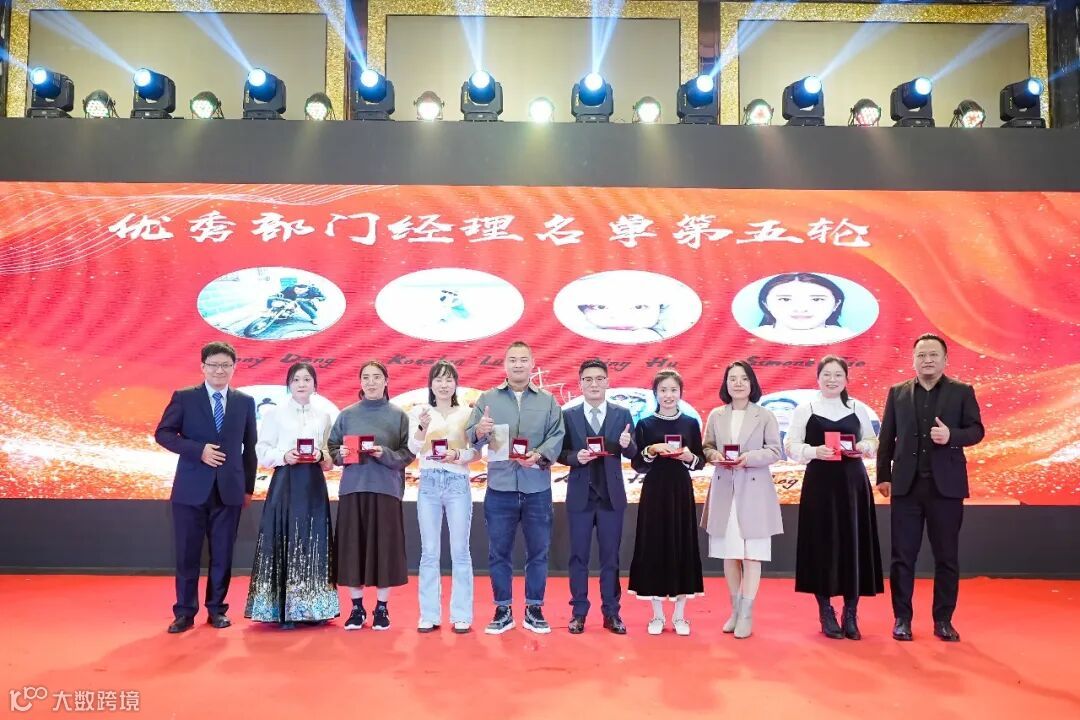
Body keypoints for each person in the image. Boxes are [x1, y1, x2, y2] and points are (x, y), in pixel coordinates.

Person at [877, 333, 984, 643]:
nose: (927, 360)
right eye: (921, 355)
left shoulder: (962, 392)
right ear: (913, 360)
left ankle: (943, 620)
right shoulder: (897, 393)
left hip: (945, 489)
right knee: (902, 557)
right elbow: (887, 437)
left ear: (945, 359)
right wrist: (883, 475)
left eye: (933, 354)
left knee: (946, 557)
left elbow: (977, 430)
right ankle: (902, 619)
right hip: (906, 487)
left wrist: (952, 436)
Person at [154, 341, 257, 634]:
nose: (219, 370)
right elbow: (163, 433)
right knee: (187, 553)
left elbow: (250, 448)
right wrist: (197, 450)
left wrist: (247, 488)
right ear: (203, 367)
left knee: (223, 554)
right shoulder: (185, 397)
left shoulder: (245, 402)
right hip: (190, 488)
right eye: (214, 365)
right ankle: (184, 612)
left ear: (234, 368)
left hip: (229, 489)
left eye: (226, 365)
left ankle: (217, 610)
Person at [466, 341, 565, 635]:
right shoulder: (487, 399)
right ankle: (503, 609)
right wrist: (479, 431)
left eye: (523, 360)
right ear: (505, 365)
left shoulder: (548, 401)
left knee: (539, 552)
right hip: (500, 488)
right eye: (513, 360)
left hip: (537, 488)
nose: (518, 365)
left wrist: (539, 455)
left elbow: (557, 435)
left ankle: (534, 608)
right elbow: (471, 436)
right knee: (499, 553)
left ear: (532, 364)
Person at [786, 355, 882, 640]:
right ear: (818, 378)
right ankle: (826, 610)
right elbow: (790, 445)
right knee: (821, 544)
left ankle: (851, 612)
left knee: (854, 543)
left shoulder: (856, 407)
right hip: (820, 483)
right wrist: (814, 451)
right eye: (826, 374)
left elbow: (873, 440)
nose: (832, 379)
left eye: (838, 374)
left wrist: (864, 447)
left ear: (846, 379)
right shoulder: (805, 409)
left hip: (853, 483)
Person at [245, 362, 338, 627]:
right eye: (296, 379)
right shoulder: (275, 414)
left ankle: (314, 609)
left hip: (313, 484)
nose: (301, 384)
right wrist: (283, 455)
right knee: (285, 539)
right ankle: (281, 610)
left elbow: (329, 457)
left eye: (306, 379)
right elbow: (262, 451)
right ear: (288, 384)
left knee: (314, 541)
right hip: (285, 481)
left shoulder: (324, 416)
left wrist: (321, 455)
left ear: (315, 384)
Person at [328, 360, 414, 631]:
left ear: (386, 381)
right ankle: (356, 608)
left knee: (384, 550)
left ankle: (382, 608)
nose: (371, 382)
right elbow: (333, 448)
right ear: (360, 382)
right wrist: (340, 454)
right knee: (352, 549)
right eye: (366, 377)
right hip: (353, 488)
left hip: (386, 490)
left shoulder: (399, 415)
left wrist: (384, 453)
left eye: (377, 377)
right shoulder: (347, 415)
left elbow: (407, 453)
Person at [701, 361, 783, 639]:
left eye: (743, 378)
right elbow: (707, 447)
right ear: (725, 384)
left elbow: (775, 451)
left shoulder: (765, 415)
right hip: (725, 489)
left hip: (755, 491)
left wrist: (749, 458)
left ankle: (747, 614)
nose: (737, 383)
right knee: (730, 553)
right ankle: (735, 611)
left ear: (752, 383)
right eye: (732, 379)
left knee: (752, 555)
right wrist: (715, 456)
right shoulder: (716, 415)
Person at [558, 359, 637, 635]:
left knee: (610, 558)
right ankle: (578, 612)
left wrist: (628, 445)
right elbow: (560, 453)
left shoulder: (622, 413)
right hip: (580, 496)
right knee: (578, 557)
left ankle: (611, 612)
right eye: (588, 379)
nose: (594, 384)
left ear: (607, 382)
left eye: (599, 379)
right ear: (580, 384)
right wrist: (574, 458)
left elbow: (633, 452)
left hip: (611, 498)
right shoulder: (568, 415)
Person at [628, 369, 706, 636]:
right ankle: (657, 615)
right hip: (654, 491)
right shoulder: (645, 424)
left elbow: (700, 461)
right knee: (654, 547)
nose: (668, 395)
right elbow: (638, 464)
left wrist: (689, 457)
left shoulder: (690, 423)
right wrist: (651, 450)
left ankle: (681, 616)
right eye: (663, 390)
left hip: (681, 490)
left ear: (681, 393)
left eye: (673, 390)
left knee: (682, 545)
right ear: (655, 394)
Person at [408, 360, 477, 634]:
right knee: (429, 551)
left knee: (460, 551)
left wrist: (457, 455)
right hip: (429, 482)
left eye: (449, 379)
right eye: (439, 379)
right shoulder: (419, 411)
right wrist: (422, 427)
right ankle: (429, 614)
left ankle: (461, 614)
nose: (444, 384)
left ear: (456, 384)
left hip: (458, 482)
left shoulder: (467, 413)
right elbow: (413, 448)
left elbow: (477, 452)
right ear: (431, 384)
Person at [749, 273, 856, 346]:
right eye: (785, 299)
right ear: (765, 304)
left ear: (836, 304)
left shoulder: (848, 338)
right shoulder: (752, 339)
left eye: (816, 299)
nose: (801, 308)